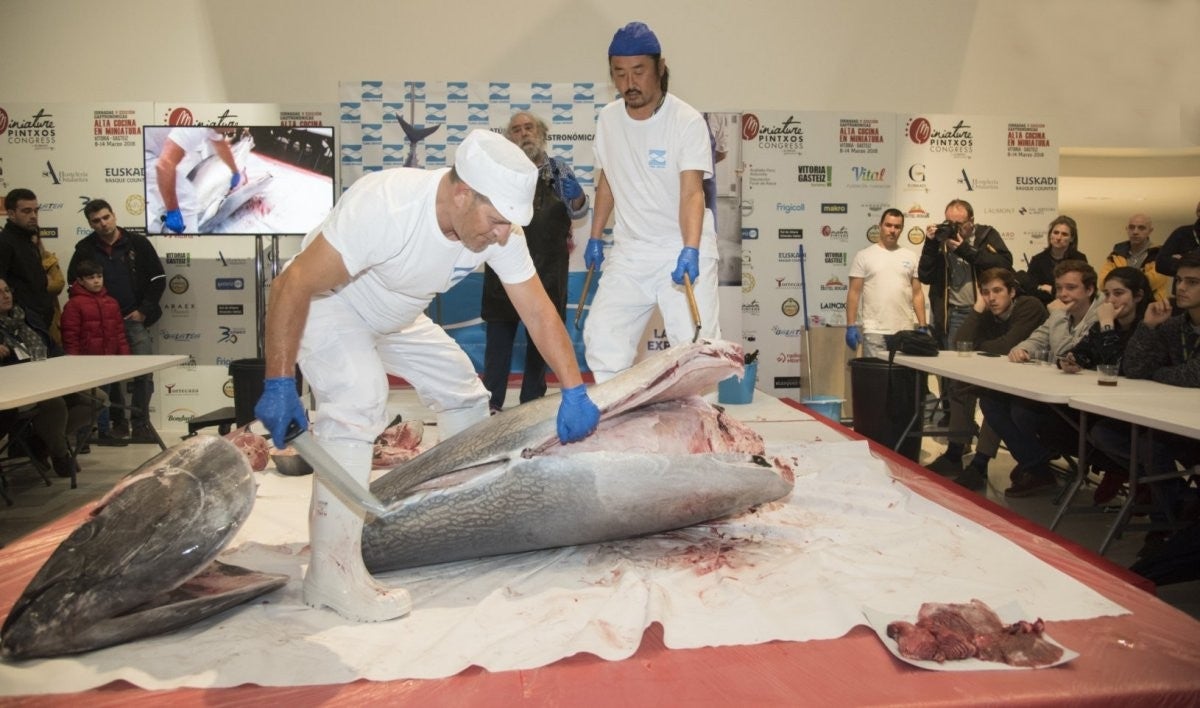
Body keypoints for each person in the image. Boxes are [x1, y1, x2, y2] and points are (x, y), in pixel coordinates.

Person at [253, 129, 601, 623]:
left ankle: (451, 524)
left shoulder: (495, 227)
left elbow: (540, 313)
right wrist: (278, 380)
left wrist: (574, 389)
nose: (503, 235)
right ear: (462, 192)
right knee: (359, 398)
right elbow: (294, 283)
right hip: (331, 304)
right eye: (497, 221)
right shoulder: (388, 205)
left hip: (396, 313)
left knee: (464, 392)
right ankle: (331, 575)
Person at [582, 21, 720, 383]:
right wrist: (595, 236)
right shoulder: (608, 120)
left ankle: (701, 433)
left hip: (681, 246)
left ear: (660, 68)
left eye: (639, 71)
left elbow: (692, 191)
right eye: (620, 73)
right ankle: (615, 420)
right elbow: (607, 180)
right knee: (602, 336)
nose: (630, 83)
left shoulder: (686, 120)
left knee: (696, 347)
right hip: (631, 250)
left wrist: (690, 249)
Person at [1089, 252, 1200, 546]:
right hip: (1172, 416)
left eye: (1192, 282)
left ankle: (1167, 519)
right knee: (1105, 433)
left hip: (1192, 422)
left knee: (1150, 444)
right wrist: (1149, 326)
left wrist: (1158, 372)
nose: (1181, 288)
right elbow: (1134, 369)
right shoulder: (1174, 323)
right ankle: (1178, 503)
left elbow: (1193, 375)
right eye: (1179, 281)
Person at [481, 111, 588, 413]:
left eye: (529, 128)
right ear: (509, 138)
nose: (523, 133)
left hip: (549, 270)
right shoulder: (497, 171)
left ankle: (532, 403)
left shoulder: (558, 170)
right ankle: (491, 402)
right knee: (498, 343)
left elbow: (578, 213)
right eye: (516, 129)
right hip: (503, 264)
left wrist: (578, 197)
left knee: (541, 342)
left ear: (540, 133)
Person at [979, 260, 1103, 497]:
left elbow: (1068, 354)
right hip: (1057, 391)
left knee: (1021, 410)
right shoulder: (1062, 314)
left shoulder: (1099, 315)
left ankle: (1034, 465)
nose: (1063, 294)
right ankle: (1036, 466)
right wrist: (1023, 349)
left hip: (1086, 401)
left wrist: (1057, 314)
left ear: (1089, 290)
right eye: (1059, 288)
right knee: (991, 402)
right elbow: (1038, 338)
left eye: (1071, 287)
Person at [928, 268, 1048, 489]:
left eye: (997, 290)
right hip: (1002, 373)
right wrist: (977, 309)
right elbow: (961, 344)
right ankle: (955, 452)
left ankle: (980, 464)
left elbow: (1005, 346)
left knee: (995, 395)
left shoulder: (1030, 307)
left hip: (1034, 381)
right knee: (960, 385)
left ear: (1012, 292)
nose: (991, 298)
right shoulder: (986, 311)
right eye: (985, 292)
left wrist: (980, 346)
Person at [68, 199, 166, 443]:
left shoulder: (138, 243)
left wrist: (143, 311)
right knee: (109, 378)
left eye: (106, 217)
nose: (102, 223)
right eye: (96, 221)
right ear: (90, 224)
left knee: (144, 373)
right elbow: (73, 283)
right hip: (103, 323)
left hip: (134, 319)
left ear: (114, 215)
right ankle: (118, 424)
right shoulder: (84, 248)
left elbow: (158, 278)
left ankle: (141, 423)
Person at [1058, 266, 1152, 504]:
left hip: (1141, 405)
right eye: (1107, 294)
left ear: (1138, 296)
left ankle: (1146, 481)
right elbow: (1081, 352)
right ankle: (1123, 471)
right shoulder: (1103, 325)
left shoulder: (1148, 326)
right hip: (1105, 401)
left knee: (1102, 432)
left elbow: (1119, 367)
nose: (1110, 300)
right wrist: (1072, 360)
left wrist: (1108, 323)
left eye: (1118, 293)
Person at [0, 278, 97, 479]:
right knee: (55, 404)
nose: (6, 295)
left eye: (7, 290)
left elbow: (52, 347)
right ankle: (60, 454)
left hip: (48, 377)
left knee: (97, 400)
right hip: (17, 387)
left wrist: (66, 367)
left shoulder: (26, 316)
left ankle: (40, 443)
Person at [918, 198, 1013, 349]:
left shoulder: (986, 235)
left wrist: (965, 250)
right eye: (949, 222)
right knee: (946, 365)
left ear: (971, 221)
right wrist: (930, 244)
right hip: (945, 313)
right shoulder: (941, 238)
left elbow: (1005, 263)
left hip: (975, 310)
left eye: (959, 224)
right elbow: (925, 276)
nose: (954, 228)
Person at [60, 259, 130, 447]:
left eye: (99, 276)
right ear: (80, 281)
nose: (97, 281)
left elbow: (119, 332)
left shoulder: (111, 302)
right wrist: (72, 360)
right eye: (91, 278)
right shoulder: (74, 305)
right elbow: (70, 334)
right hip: (86, 363)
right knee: (89, 400)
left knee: (104, 398)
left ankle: (104, 432)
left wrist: (124, 356)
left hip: (108, 361)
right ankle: (84, 437)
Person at [845, 208, 928, 358]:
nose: (892, 230)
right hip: (875, 331)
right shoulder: (864, 256)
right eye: (888, 225)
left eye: (897, 227)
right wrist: (850, 325)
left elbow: (917, 293)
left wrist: (922, 325)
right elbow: (854, 293)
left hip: (905, 331)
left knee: (901, 380)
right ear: (880, 226)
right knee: (876, 380)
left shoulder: (911, 256)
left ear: (902, 229)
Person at [144, 126, 241, 234]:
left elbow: (220, 146)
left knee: (168, 196)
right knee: (186, 196)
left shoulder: (212, 125)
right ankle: (186, 241)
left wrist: (234, 170)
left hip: (157, 152)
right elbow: (163, 166)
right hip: (145, 155)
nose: (234, 130)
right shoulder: (195, 129)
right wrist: (173, 210)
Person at [0, 189, 55, 331]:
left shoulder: (29, 240)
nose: (33, 216)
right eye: (26, 211)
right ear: (11, 214)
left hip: (40, 320)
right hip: (21, 325)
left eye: (36, 211)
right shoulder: (4, 242)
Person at [1098, 213, 1170, 302]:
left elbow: (1151, 282)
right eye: (1131, 227)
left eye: (1141, 228)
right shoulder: (1116, 254)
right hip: (1120, 305)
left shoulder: (1160, 254)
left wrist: (1118, 283)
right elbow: (1103, 283)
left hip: (1152, 305)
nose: (1135, 232)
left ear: (1150, 231)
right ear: (1127, 229)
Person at [1026, 215, 1087, 306]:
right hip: (1044, 308)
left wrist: (1051, 289)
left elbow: (1082, 289)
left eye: (1064, 234)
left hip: (1073, 307)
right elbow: (1031, 291)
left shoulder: (1079, 259)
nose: (1058, 237)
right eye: (1056, 232)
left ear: (1072, 238)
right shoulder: (1037, 260)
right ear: (1050, 235)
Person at [1156, 199, 1200, 278]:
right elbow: (1160, 264)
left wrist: (1183, 258)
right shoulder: (1182, 233)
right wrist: (1186, 262)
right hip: (1184, 287)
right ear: (1198, 213)